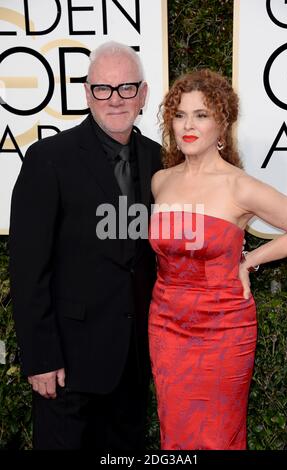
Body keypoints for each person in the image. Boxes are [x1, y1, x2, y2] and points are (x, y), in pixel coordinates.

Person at [9, 41, 162, 450]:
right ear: (87, 93)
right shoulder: (49, 158)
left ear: (143, 94)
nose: (115, 99)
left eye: (127, 88)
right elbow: (27, 269)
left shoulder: (158, 160)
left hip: (132, 362)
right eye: (103, 89)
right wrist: (41, 357)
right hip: (67, 366)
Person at [148, 68, 287, 450]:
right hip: (166, 324)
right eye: (180, 114)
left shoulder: (239, 185)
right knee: (176, 432)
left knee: (218, 434)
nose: (188, 125)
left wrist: (250, 261)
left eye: (201, 115)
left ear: (223, 122)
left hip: (224, 328)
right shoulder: (161, 181)